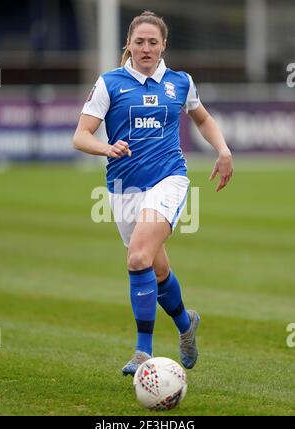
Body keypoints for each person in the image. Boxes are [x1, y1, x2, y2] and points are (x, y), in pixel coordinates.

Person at [73, 11, 233, 376]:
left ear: (164, 46)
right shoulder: (109, 83)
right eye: (139, 41)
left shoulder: (180, 82)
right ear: (128, 44)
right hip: (122, 188)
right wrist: (106, 149)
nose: (146, 48)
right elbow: (80, 135)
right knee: (156, 269)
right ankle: (185, 324)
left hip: (168, 181)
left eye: (153, 42)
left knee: (138, 257)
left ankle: (143, 351)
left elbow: (203, 119)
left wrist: (222, 150)